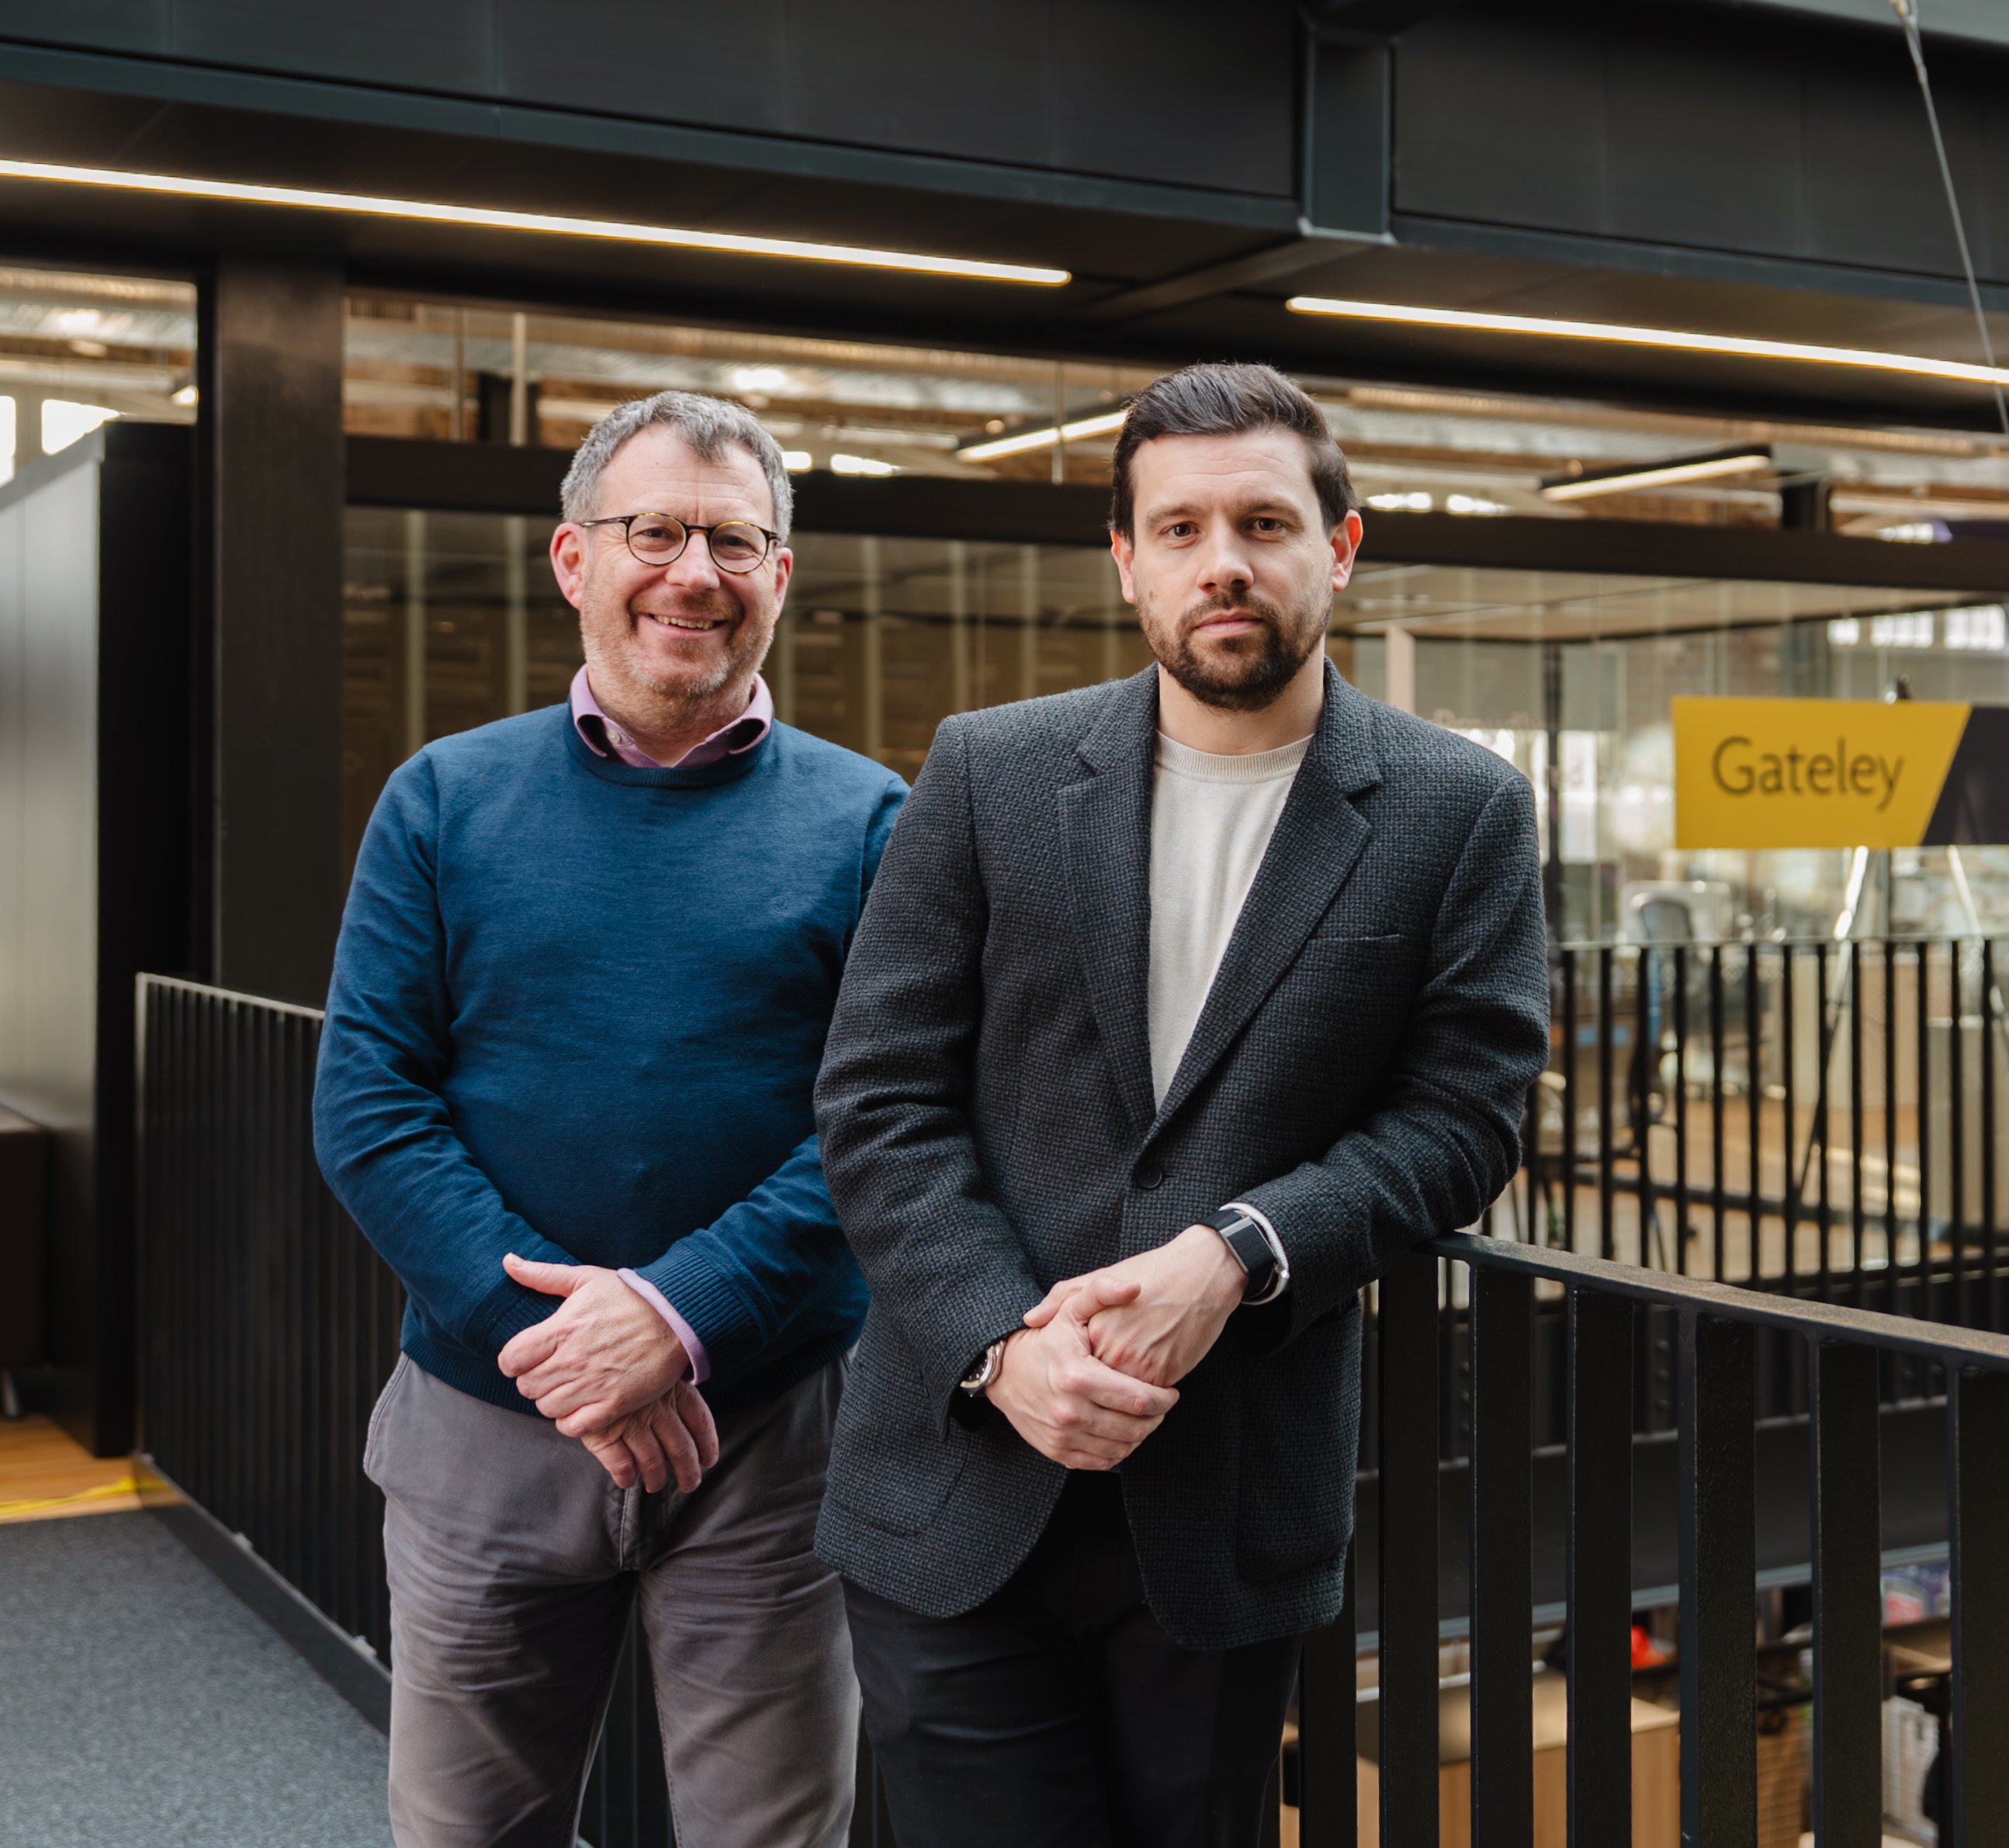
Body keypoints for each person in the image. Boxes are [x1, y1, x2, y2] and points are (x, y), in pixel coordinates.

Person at [815, 362, 1550, 1847]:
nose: (1225, 561)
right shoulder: (990, 770)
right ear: (1127, 561)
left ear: (1338, 548)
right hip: (957, 1477)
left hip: (1223, 1501)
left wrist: (1239, 1250)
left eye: (1266, 523)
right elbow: (878, 1091)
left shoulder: (1454, 807)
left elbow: (1467, 1114)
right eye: (1182, 528)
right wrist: (1002, 1340)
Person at [313, 390, 906, 1848]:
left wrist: (678, 1313)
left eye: (734, 538)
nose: (693, 572)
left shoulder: (878, 822)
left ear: (781, 573)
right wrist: (574, 1356)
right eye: (654, 531)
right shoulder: (442, 800)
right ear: (573, 560)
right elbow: (369, 1103)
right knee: (470, 1831)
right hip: (486, 1416)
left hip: (765, 1432)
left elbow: (886, 1127)